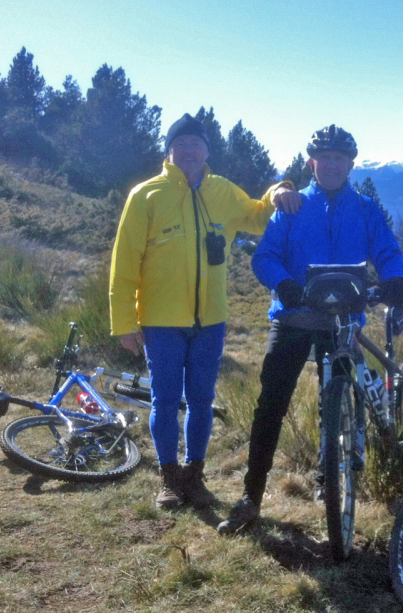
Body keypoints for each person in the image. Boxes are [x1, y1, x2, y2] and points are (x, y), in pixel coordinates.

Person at [218, 124, 403, 534]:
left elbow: (387, 250)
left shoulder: (366, 209)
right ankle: (251, 497)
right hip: (294, 316)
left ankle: (331, 477)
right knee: (271, 406)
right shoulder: (293, 206)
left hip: (343, 320)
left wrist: (396, 278)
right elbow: (265, 256)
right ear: (312, 163)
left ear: (351, 165)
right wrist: (284, 285)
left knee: (336, 403)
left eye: (340, 158)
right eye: (325, 158)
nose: (332, 165)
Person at [110, 113, 301, 510]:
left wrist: (279, 189)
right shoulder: (146, 195)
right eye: (181, 144)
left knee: (201, 401)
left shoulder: (223, 192)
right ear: (169, 151)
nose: (189, 151)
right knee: (165, 401)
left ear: (207, 152)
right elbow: (124, 263)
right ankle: (169, 478)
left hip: (211, 320)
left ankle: (194, 477)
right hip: (161, 320)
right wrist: (125, 322)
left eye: (196, 144)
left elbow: (258, 216)